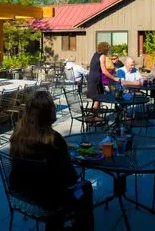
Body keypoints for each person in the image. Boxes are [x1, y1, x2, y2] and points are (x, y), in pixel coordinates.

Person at [10, 90, 94, 230]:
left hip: (20, 192)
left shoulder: (18, 135)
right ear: (49, 113)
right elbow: (70, 178)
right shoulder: (54, 140)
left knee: (58, 187)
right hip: (47, 200)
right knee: (85, 188)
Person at [87, 42, 121, 110]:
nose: (108, 50)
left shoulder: (95, 54)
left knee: (96, 98)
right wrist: (114, 78)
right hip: (96, 80)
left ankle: (95, 115)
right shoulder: (102, 56)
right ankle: (95, 117)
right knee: (98, 98)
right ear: (105, 49)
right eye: (108, 49)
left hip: (91, 78)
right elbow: (104, 71)